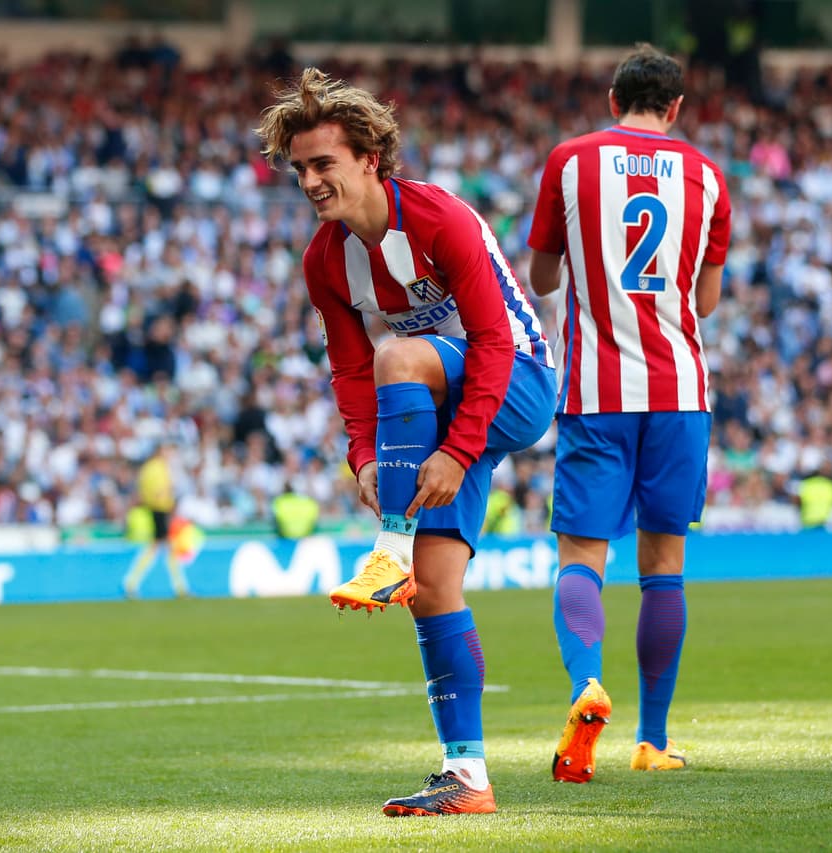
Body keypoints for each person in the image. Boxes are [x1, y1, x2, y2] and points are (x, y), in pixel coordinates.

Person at [256, 67, 556, 816]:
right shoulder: (325, 260)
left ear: (369, 158)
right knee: (434, 592)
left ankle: (385, 551)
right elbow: (349, 370)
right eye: (299, 170)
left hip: (515, 383)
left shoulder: (438, 217)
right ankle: (468, 778)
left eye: (323, 163)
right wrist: (364, 455)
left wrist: (457, 450)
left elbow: (490, 339)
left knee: (401, 352)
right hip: (444, 408)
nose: (311, 181)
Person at [527, 43, 731, 782]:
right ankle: (652, 737)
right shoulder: (707, 176)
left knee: (582, 557)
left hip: (596, 391)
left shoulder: (570, 160)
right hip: (679, 394)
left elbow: (544, 277)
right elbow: (705, 302)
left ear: (614, 101)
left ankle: (586, 681)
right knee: (663, 568)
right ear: (675, 109)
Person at [122, 441, 191, 598]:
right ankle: (179, 587)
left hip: (154, 509)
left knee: (161, 547)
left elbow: (144, 490)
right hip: (160, 510)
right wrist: (167, 504)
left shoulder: (148, 468)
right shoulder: (158, 468)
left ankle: (133, 582)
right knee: (164, 547)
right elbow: (162, 491)